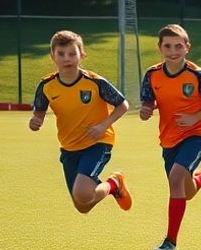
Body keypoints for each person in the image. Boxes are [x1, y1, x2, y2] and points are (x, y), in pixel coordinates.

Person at [139, 24, 201, 250]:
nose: (173, 50)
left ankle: (170, 242)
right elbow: (148, 101)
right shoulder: (152, 75)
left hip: (198, 134)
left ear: (187, 47)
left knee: (176, 179)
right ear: (160, 48)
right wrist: (146, 110)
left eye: (178, 46)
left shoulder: (198, 75)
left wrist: (195, 117)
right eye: (167, 46)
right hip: (169, 139)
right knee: (185, 192)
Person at [28, 30, 132, 214]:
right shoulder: (46, 86)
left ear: (81, 55)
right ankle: (114, 184)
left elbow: (122, 105)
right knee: (82, 205)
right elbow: (39, 112)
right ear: (53, 56)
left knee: (82, 193)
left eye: (72, 53)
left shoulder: (95, 82)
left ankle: (107, 185)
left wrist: (102, 126)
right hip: (69, 147)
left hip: (98, 142)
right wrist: (35, 121)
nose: (67, 58)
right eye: (61, 54)